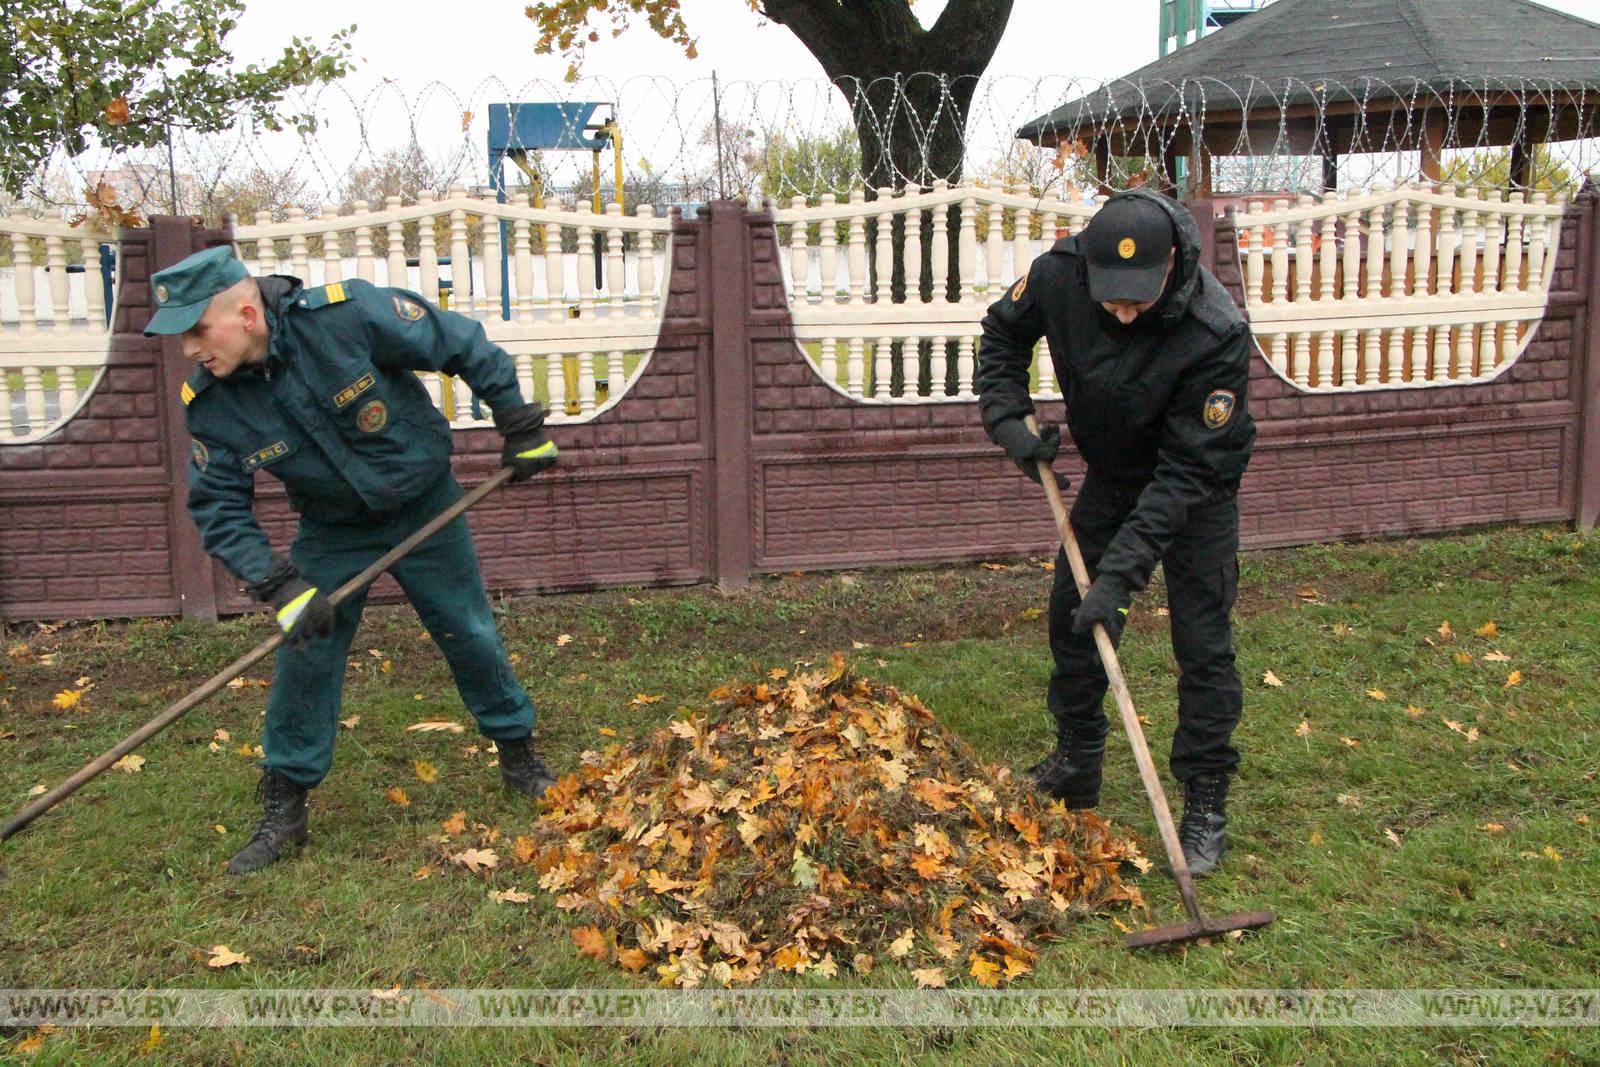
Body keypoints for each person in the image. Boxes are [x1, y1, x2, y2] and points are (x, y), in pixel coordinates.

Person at [144, 245, 561, 875]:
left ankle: (518, 754)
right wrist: (279, 584)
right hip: (334, 531)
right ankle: (286, 803)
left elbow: (458, 342)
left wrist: (518, 422)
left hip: (426, 508)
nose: (190, 350)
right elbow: (219, 507)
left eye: (199, 330)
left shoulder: (346, 316)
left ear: (248, 312)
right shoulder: (212, 405)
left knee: (468, 631)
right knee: (305, 652)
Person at [975, 189, 1256, 876]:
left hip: (1196, 485)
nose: (1124, 312)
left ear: (1171, 268)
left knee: (1204, 642)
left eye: (1139, 297)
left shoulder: (1215, 331)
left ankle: (1206, 796)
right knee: (1072, 616)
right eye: (1112, 298)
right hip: (1113, 471)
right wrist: (1008, 418)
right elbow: (1003, 332)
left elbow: (1186, 470)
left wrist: (1122, 576)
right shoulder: (1060, 274)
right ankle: (1078, 757)